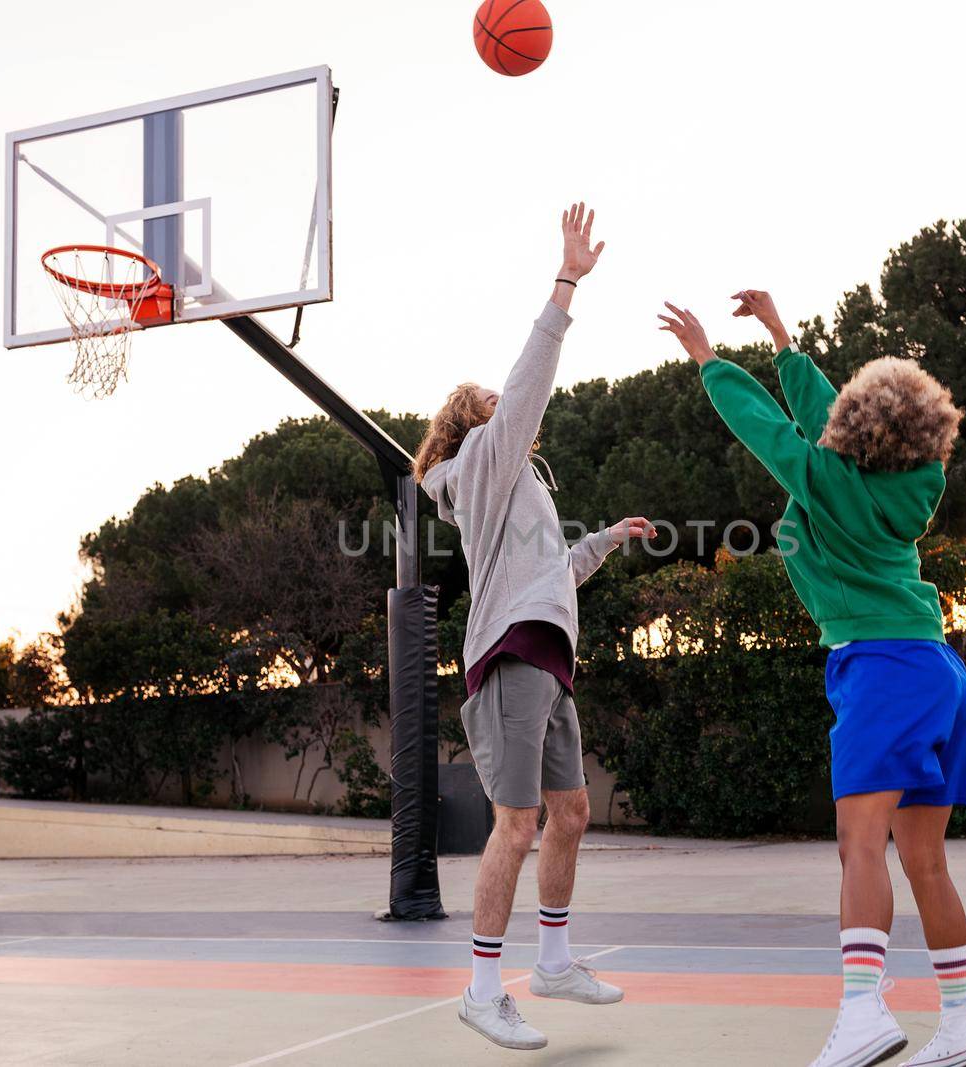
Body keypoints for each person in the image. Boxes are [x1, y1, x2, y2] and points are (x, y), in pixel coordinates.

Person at [659, 291, 966, 1067]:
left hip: (879, 667)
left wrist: (711, 363)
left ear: (855, 436)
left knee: (857, 844)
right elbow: (818, 416)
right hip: (935, 668)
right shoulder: (906, 485)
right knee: (924, 860)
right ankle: (961, 1018)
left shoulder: (825, 480)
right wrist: (781, 339)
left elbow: (774, 431)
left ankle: (861, 1007)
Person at [414, 203, 652, 1051]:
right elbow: (524, 387)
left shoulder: (519, 488)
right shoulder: (478, 463)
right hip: (511, 657)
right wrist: (565, 284)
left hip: (547, 653)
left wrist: (607, 542)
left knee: (573, 811)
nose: (502, 397)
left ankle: (551, 960)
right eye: (488, 396)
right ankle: (483, 988)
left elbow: (551, 572)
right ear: (470, 419)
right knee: (515, 825)